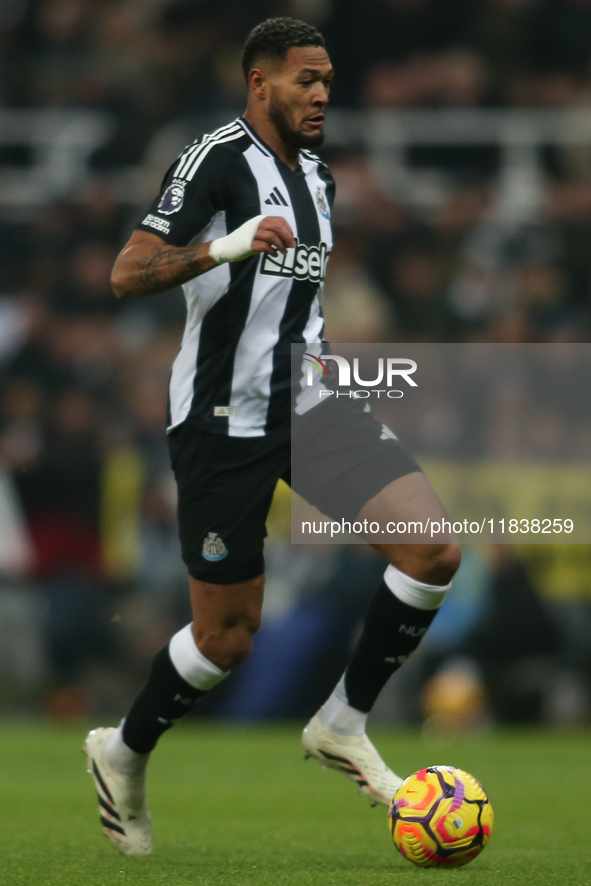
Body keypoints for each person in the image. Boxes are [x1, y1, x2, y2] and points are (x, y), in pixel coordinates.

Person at [83, 16, 461, 857]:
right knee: (226, 640)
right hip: (221, 421)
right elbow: (125, 273)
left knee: (432, 550)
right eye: (304, 79)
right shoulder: (216, 157)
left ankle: (341, 721)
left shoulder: (319, 177)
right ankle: (121, 751)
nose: (322, 92)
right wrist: (223, 244)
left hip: (310, 403)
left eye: (326, 78)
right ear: (260, 83)